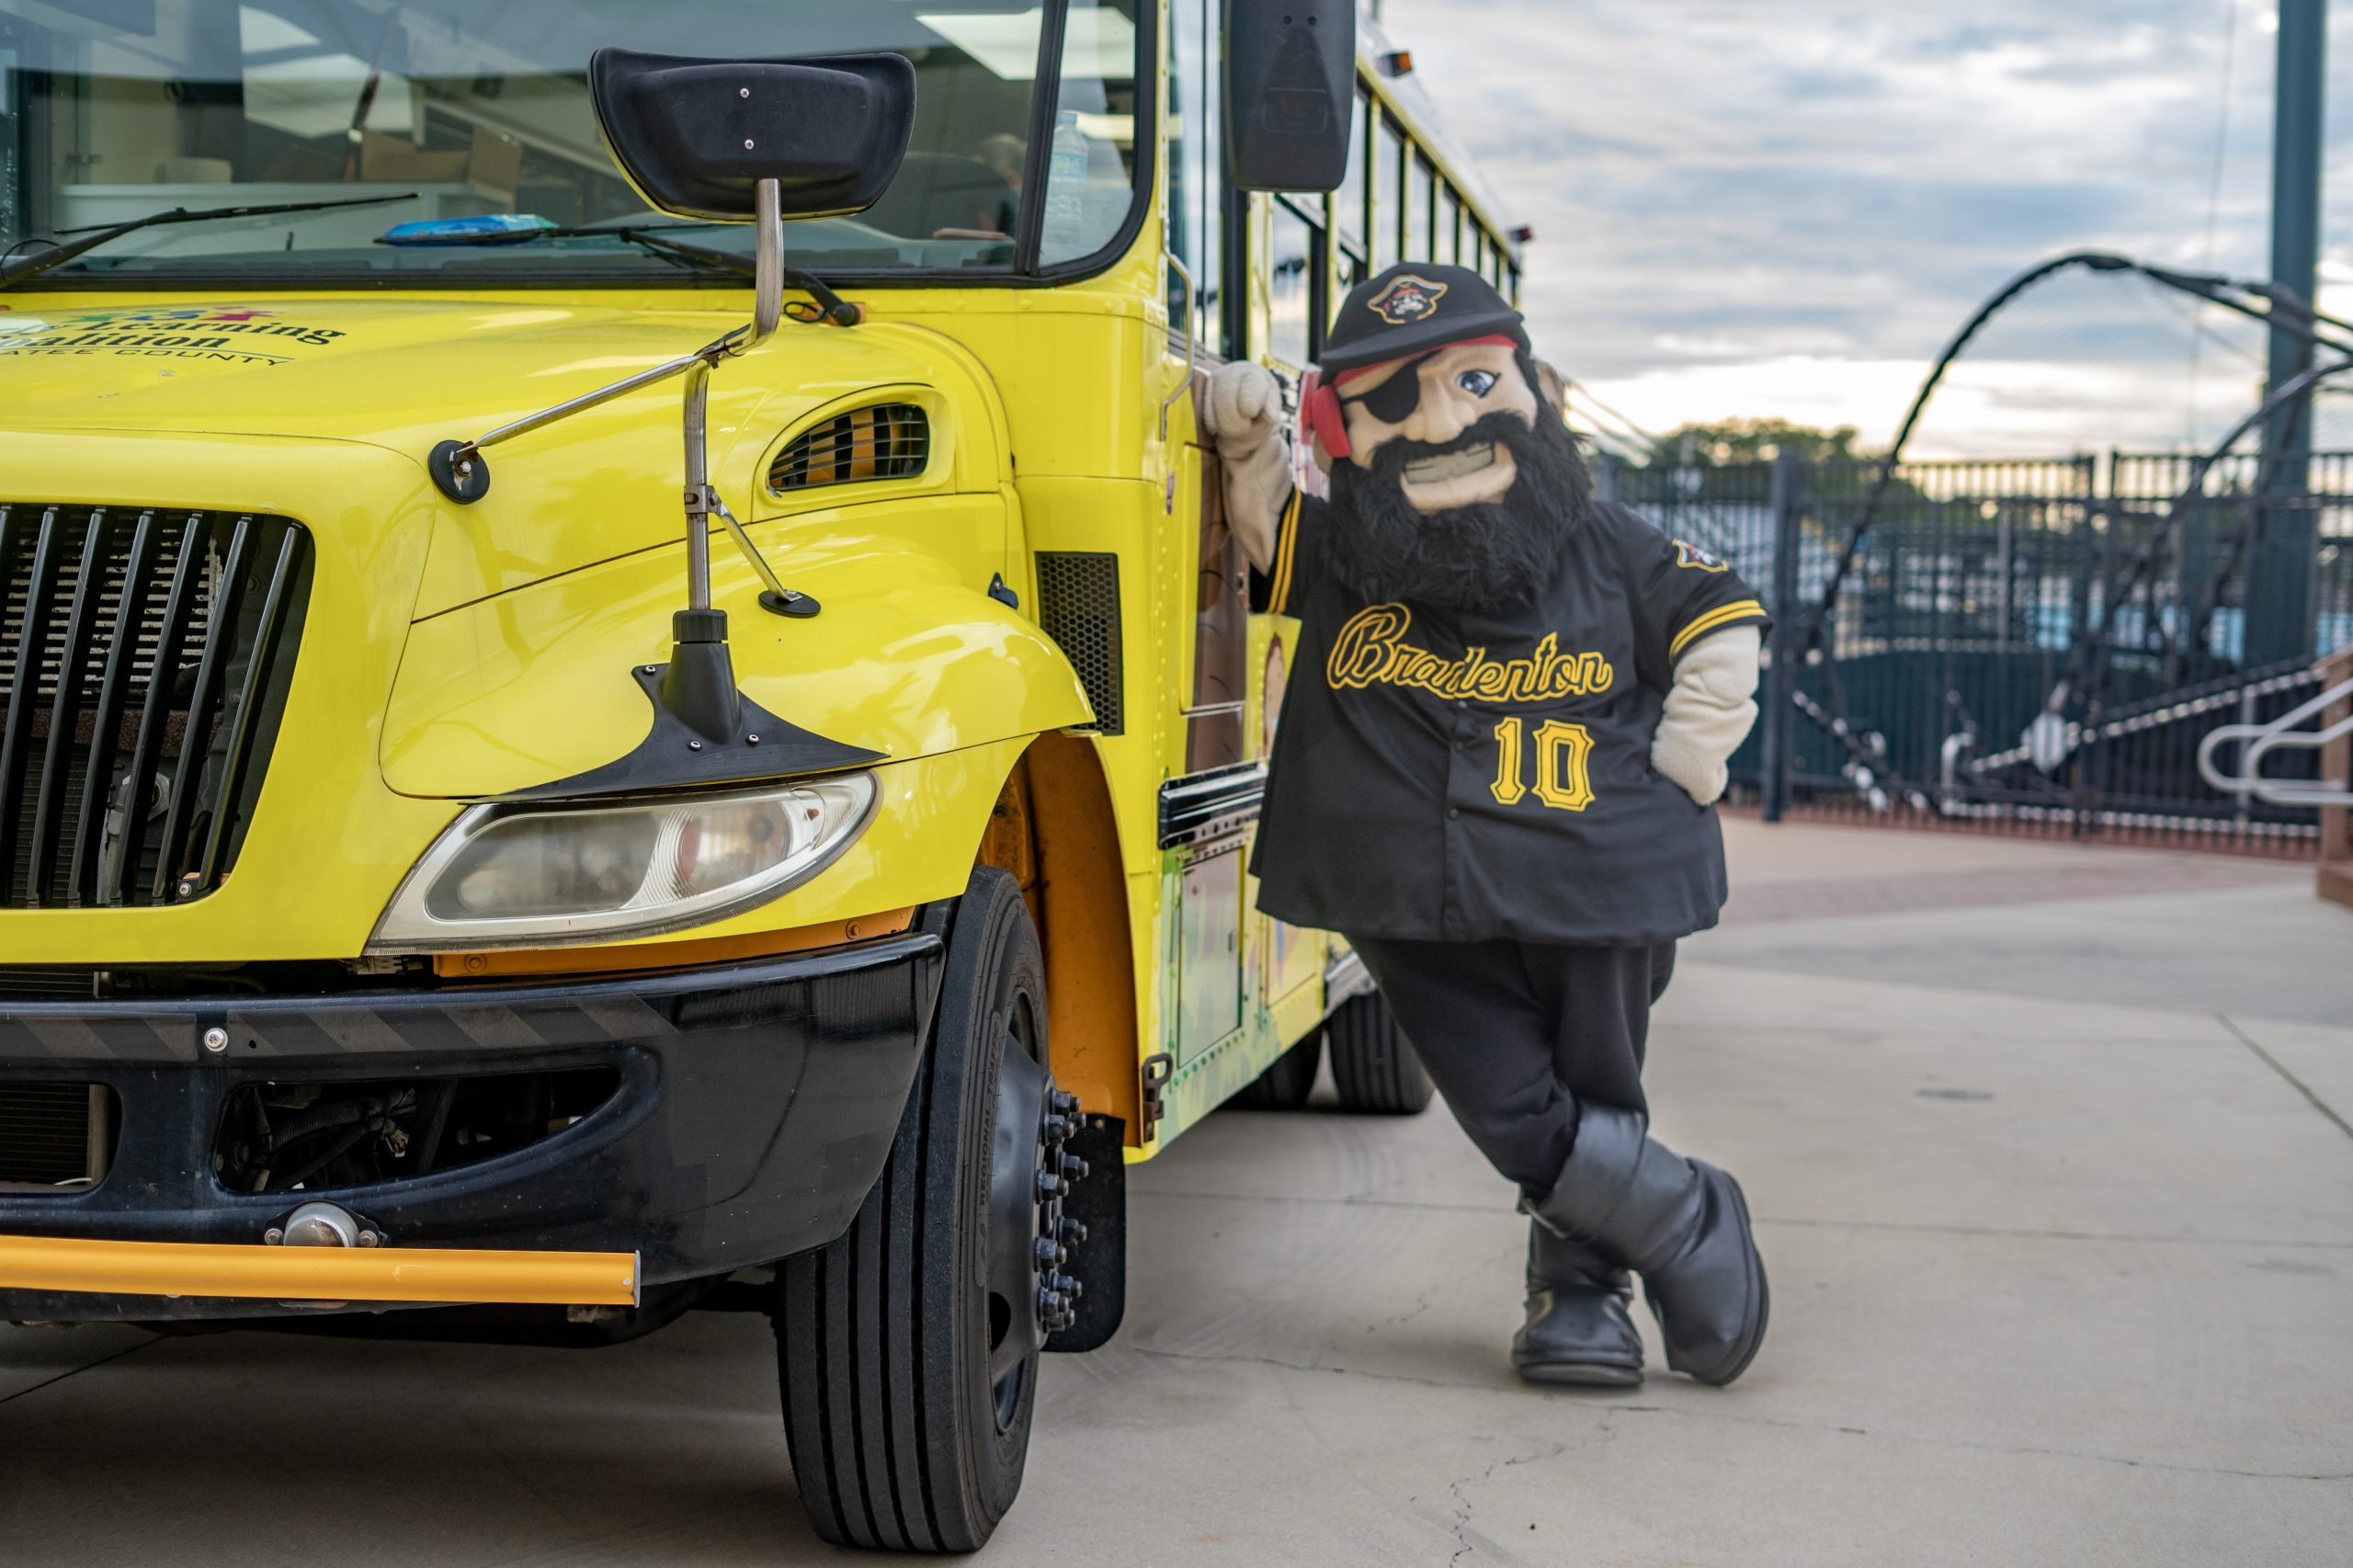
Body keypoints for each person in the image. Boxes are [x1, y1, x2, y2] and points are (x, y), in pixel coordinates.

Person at [1199, 262, 1770, 1387]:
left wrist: (1689, 758)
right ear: (1346, 427)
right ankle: (1676, 1211)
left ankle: (1579, 1293)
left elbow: (1717, 617)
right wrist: (1248, 446)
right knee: (1506, 1096)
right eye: (1395, 402)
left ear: (1527, 389)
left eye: (1470, 381)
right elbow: (1262, 536)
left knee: (1593, 1075)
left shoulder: (1609, 542)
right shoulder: (1355, 552)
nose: (1443, 422)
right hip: (1403, 877)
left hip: (1593, 867)